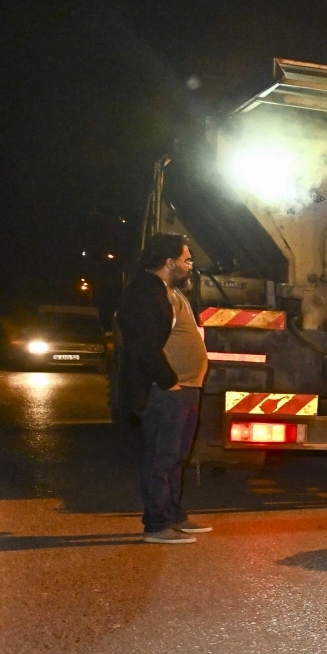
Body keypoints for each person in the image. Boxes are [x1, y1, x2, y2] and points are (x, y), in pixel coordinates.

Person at [117, 232, 213, 543]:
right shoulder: (143, 293)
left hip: (186, 389)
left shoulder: (169, 290)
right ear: (169, 262)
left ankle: (174, 514)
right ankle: (157, 525)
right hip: (167, 391)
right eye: (187, 260)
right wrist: (169, 381)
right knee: (162, 458)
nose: (190, 266)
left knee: (176, 457)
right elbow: (142, 346)